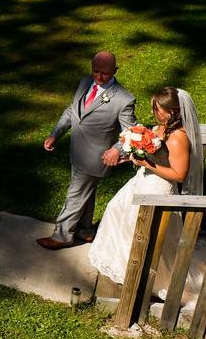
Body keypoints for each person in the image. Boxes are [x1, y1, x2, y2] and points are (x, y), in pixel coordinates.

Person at [88, 87, 203, 289]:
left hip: (159, 188)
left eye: (158, 109)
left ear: (173, 112)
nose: (154, 113)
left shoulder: (178, 138)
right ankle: (125, 265)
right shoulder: (161, 128)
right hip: (142, 180)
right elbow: (151, 151)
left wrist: (148, 165)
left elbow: (179, 174)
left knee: (144, 229)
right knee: (117, 210)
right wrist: (133, 154)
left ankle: (151, 277)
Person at [37, 51, 137, 250]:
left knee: (75, 195)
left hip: (95, 157)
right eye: (95, 71)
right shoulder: (84, 83)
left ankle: (62, 236)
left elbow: (131, 131)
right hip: (77, 151)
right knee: (86, 193)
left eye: (105, 74)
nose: (99, 77)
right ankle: (85, 230)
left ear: (115, 71)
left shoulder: (123, 99)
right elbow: (71, 111)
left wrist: (117, 150)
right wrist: (55, 134)